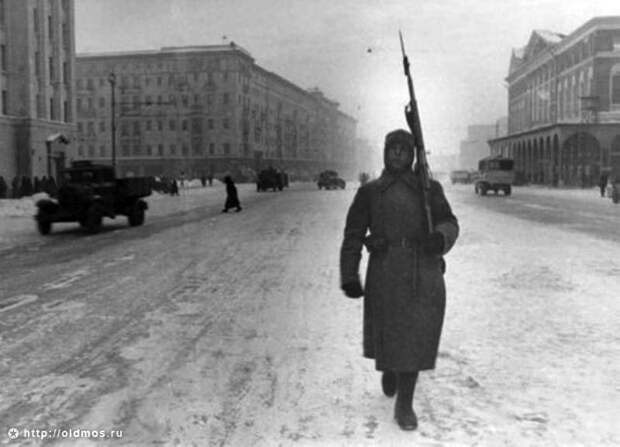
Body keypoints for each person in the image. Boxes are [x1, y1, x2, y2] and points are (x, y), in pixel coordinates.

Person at [340, 129, 459, 431]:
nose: (397, 154)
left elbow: (450, 222)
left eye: (403, 150)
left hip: (424, 272)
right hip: (385, 273)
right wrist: (349, 273)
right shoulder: (370, 191)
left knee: (416, 337)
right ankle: (390, 366)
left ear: (412, 154)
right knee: (393, 335)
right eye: (392, 149)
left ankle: (404, 404)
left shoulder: (429, 189)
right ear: (385, 152)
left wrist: (439, 238)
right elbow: (353, 234)